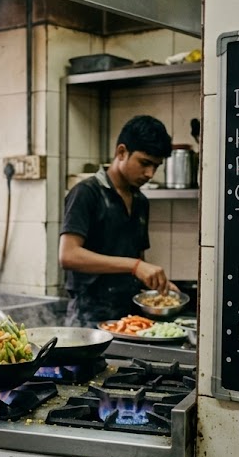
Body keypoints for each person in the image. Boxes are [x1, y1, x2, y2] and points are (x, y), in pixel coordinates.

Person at [58, 114, 176, 327]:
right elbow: (68, 255)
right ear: (121, 152)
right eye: (145, 163)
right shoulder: (86, 193)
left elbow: (138, 259)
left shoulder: (141, 201)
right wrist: (136, 266)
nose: (150, 173)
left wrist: (156, 286)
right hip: (87, 320)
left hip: (129, 318)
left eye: (156, 166)